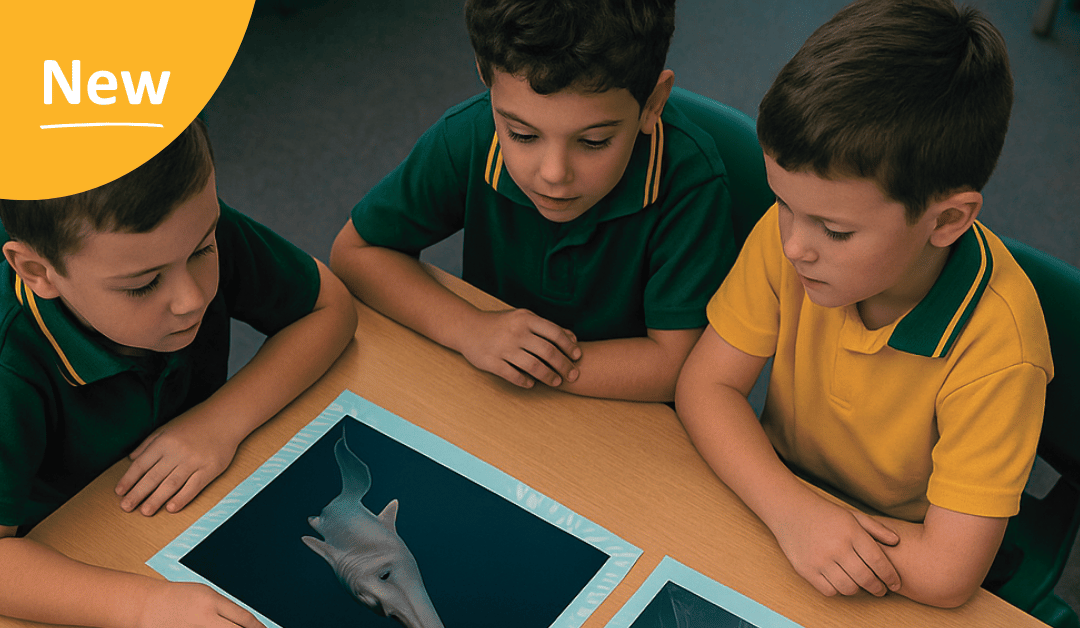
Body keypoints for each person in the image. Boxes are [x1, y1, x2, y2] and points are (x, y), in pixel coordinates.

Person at [674, 0, 1053, 609]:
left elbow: (947, 571)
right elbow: (704, 387)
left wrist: (801, 519)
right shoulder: (798, 235)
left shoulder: (1001, 348)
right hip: (784, 510)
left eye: (836, 231)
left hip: (888, 562)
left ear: (946, 220)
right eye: (783, 204)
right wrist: (791, 510)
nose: (794, 246)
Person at [0, 119, 357, 627]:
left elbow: (330, 306)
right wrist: (145, 607)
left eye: (204, 251)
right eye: (142, 285)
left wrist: (221, 422)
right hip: (56, 559)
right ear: (38, 273)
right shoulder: (10, 364)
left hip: (177, 515)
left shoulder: (178, 231)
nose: (192, 299)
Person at [330, 0, 737, 402]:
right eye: (522, 135)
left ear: (653, 103)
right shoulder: (468, 135)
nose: (554, 174)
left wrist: (527, 361)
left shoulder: (691, 184)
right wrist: (470, 329)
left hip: (623, 417)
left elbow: (678, 366)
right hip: (490, 394)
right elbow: (356, 252)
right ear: (486, 77)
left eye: (594, 141)